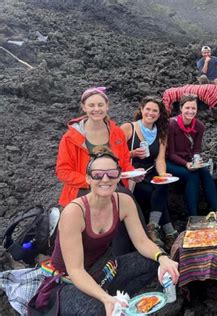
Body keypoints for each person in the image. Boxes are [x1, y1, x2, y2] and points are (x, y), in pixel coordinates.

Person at [34, 147, 179, 315]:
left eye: (111, 173)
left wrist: (163, 258)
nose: (105, 178)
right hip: (68, 281)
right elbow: (76, 270)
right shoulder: (74, 212)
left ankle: (117, 301)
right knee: (97, 309)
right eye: (97, 174)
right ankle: (108, 300)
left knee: (154, 263)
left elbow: (141, 241)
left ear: (119, 175)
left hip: (104, 269)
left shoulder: (123, 201)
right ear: (88, 178)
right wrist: (105, 298)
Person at [56, 87, 145, 255]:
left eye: (100, 104)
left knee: (124, 198)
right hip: (83, 187)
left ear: (107, 106)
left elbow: (125, 162)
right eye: (91, 105)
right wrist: (93, 181)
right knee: (112, 199)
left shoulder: (116, 132)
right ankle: (102, 256)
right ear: (84, 107)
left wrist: (133, 172)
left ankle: (131, 251)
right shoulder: (70, 137)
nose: (96, 109)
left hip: (113, 184)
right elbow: (63, 171)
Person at [120, 96, 177, 250]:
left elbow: (159, 159)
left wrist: (163, 174)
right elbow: (114, 153)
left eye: (155, 111)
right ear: (141, 110)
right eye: (148, 109)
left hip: (150, 172)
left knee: (163, 185)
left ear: (159, 115)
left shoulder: (161, 133)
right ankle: (169, 231)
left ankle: (152, 227)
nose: (151, 113)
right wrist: (132, 154)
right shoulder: (128, 128)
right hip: (132, 175)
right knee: (152, 192)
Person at [166, 94, 217, 216]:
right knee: (192, 175)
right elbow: (171, 153)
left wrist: (196, 160)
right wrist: (187, 164)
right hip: (171, 162)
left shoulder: (199, 126)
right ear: (181, 108)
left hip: (188, 161)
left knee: (205, 172)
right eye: (187, 108)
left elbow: (196, 149)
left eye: (193, 108)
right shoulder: (171, 124)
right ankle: (193, 216)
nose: (190, 111)